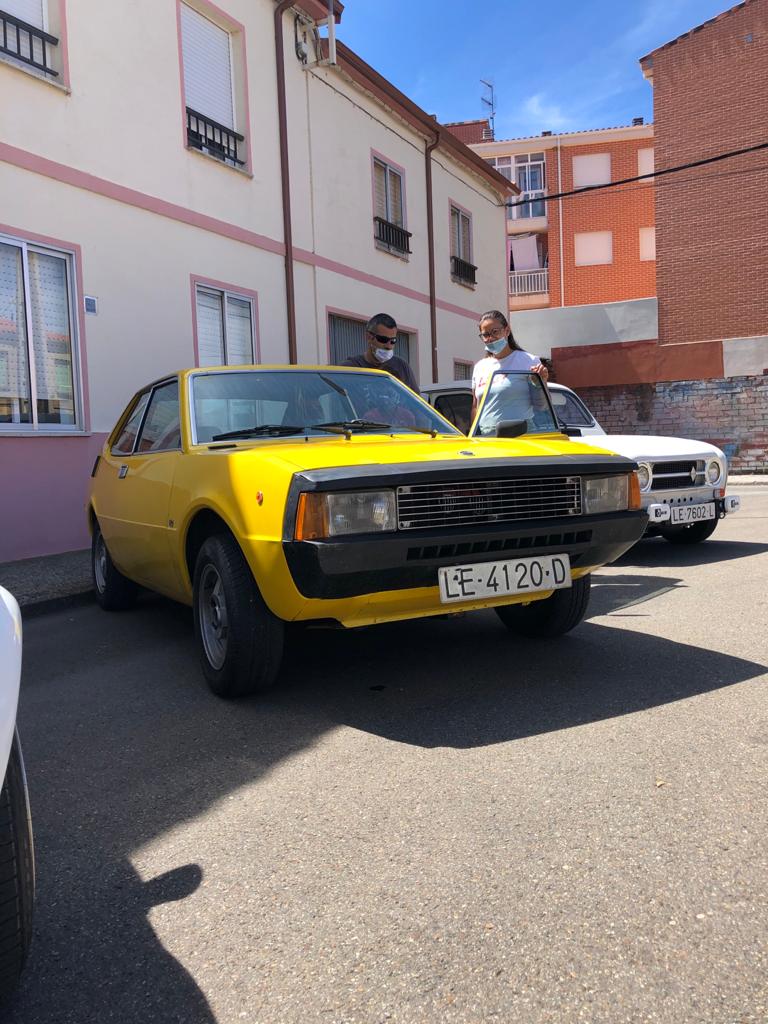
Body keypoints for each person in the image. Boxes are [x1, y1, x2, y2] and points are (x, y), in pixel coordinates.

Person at [471, 309, 548, 422]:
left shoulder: (528, 361)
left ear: (507, 331)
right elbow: (475, 407)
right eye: (486, 335)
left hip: (519, 435)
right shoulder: (480, 367)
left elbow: (542, 406)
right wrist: (473, 437)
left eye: (495, 332)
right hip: (487, 436)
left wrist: (540, 382)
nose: (490, 338)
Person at [342, 313, 418, 392]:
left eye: (393, 341)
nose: (388, 346)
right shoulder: (350, 369)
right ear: (369, 337)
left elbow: (416, 401)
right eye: (383, 339)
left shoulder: (402, 367)